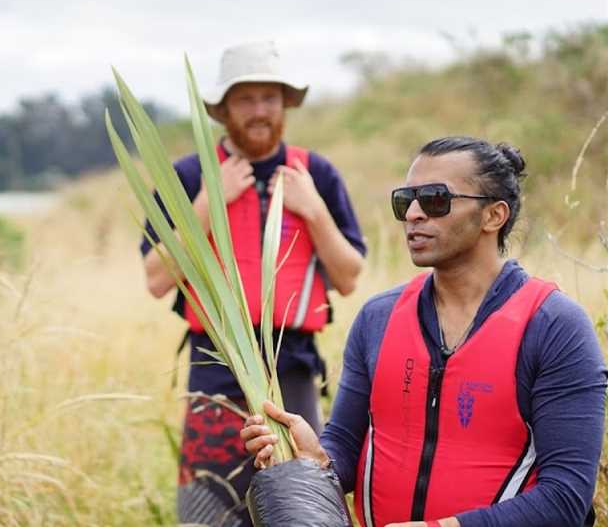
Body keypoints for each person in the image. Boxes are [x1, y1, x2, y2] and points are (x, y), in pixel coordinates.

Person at [242, 136, 608, 527]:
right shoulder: (377, 318)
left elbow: (566, 498)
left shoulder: (554, 326)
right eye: (406, 200)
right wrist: (315, 460)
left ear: (493, 215)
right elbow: (346, 448)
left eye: (435, 200)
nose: (414, 214)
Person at [140, 40, 366, 525]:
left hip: (293, 368)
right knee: (208, 508)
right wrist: (206, 205)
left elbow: (348, 277)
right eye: (246, 99)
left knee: (299, 505)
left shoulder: (316, 174)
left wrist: (314, 210)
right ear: (222, 110)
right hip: (215, 368)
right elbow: (156, 278)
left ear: (285, 104)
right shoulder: (188, 175)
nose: (260, 110)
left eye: (270, 98)